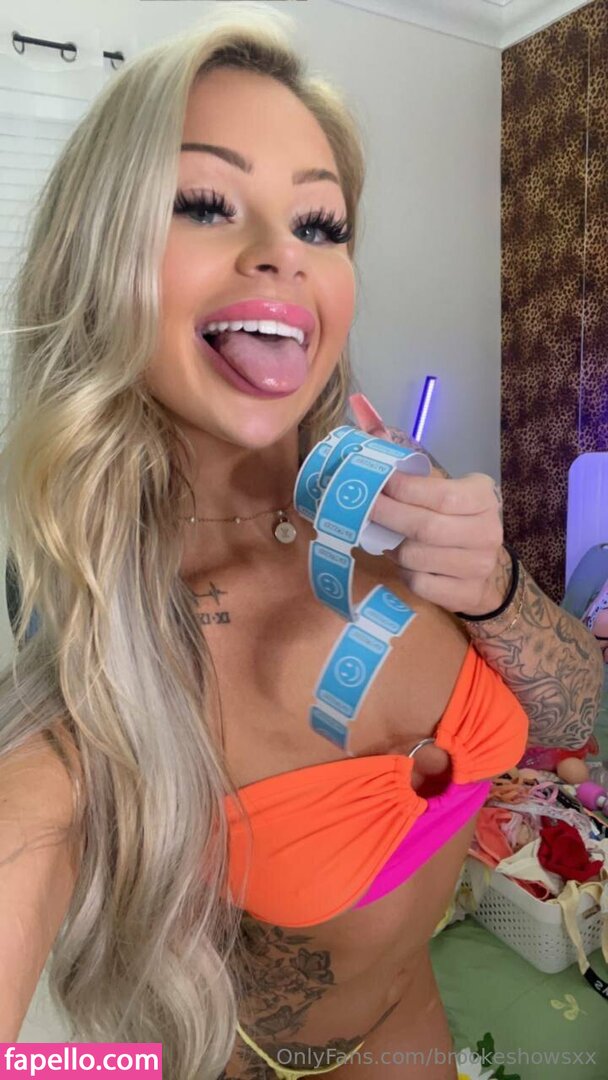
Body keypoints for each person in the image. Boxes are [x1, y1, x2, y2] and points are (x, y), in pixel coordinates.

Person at [0, 5, 602, 1079]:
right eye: (203, 204)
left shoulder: (395, 505)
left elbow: (572, 721)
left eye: (320, 224)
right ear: (99, 260)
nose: (282, 253)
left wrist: (497, 588)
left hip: (417, 1027)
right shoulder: (107, 660)